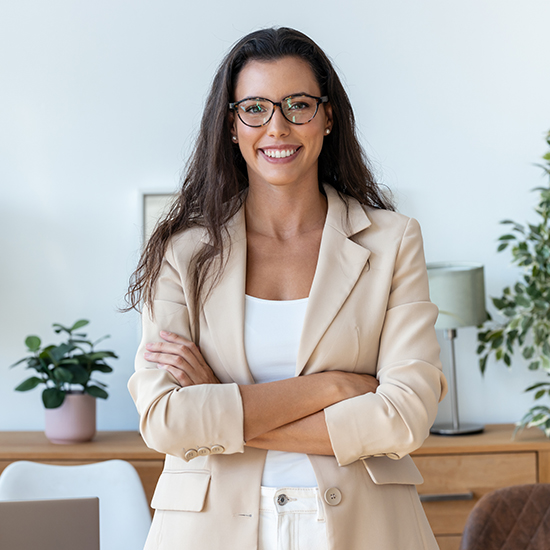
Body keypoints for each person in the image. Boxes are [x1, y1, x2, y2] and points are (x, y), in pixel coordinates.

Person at [127, 27, 447, 550]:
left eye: (298, 105)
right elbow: (165, 422)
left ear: (327, 118)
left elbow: (404, 417)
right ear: (231, 124)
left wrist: (218, 402)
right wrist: (332, 388)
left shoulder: (393, 241)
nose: (277, 127)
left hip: (368, 528)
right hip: (207, 531)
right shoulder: (182, 252)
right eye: (254, 107)